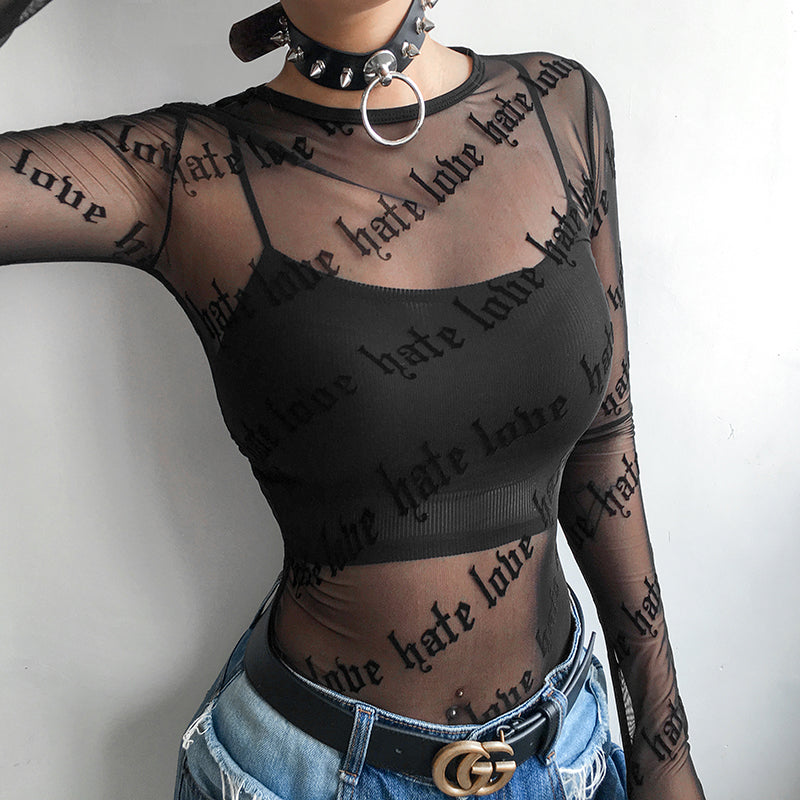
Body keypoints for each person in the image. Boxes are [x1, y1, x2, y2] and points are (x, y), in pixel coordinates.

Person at [0, 1, 706, 798]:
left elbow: (605, 440)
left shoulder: (558, 104)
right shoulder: (182, 169)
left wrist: (664, 750)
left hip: (567, 757)